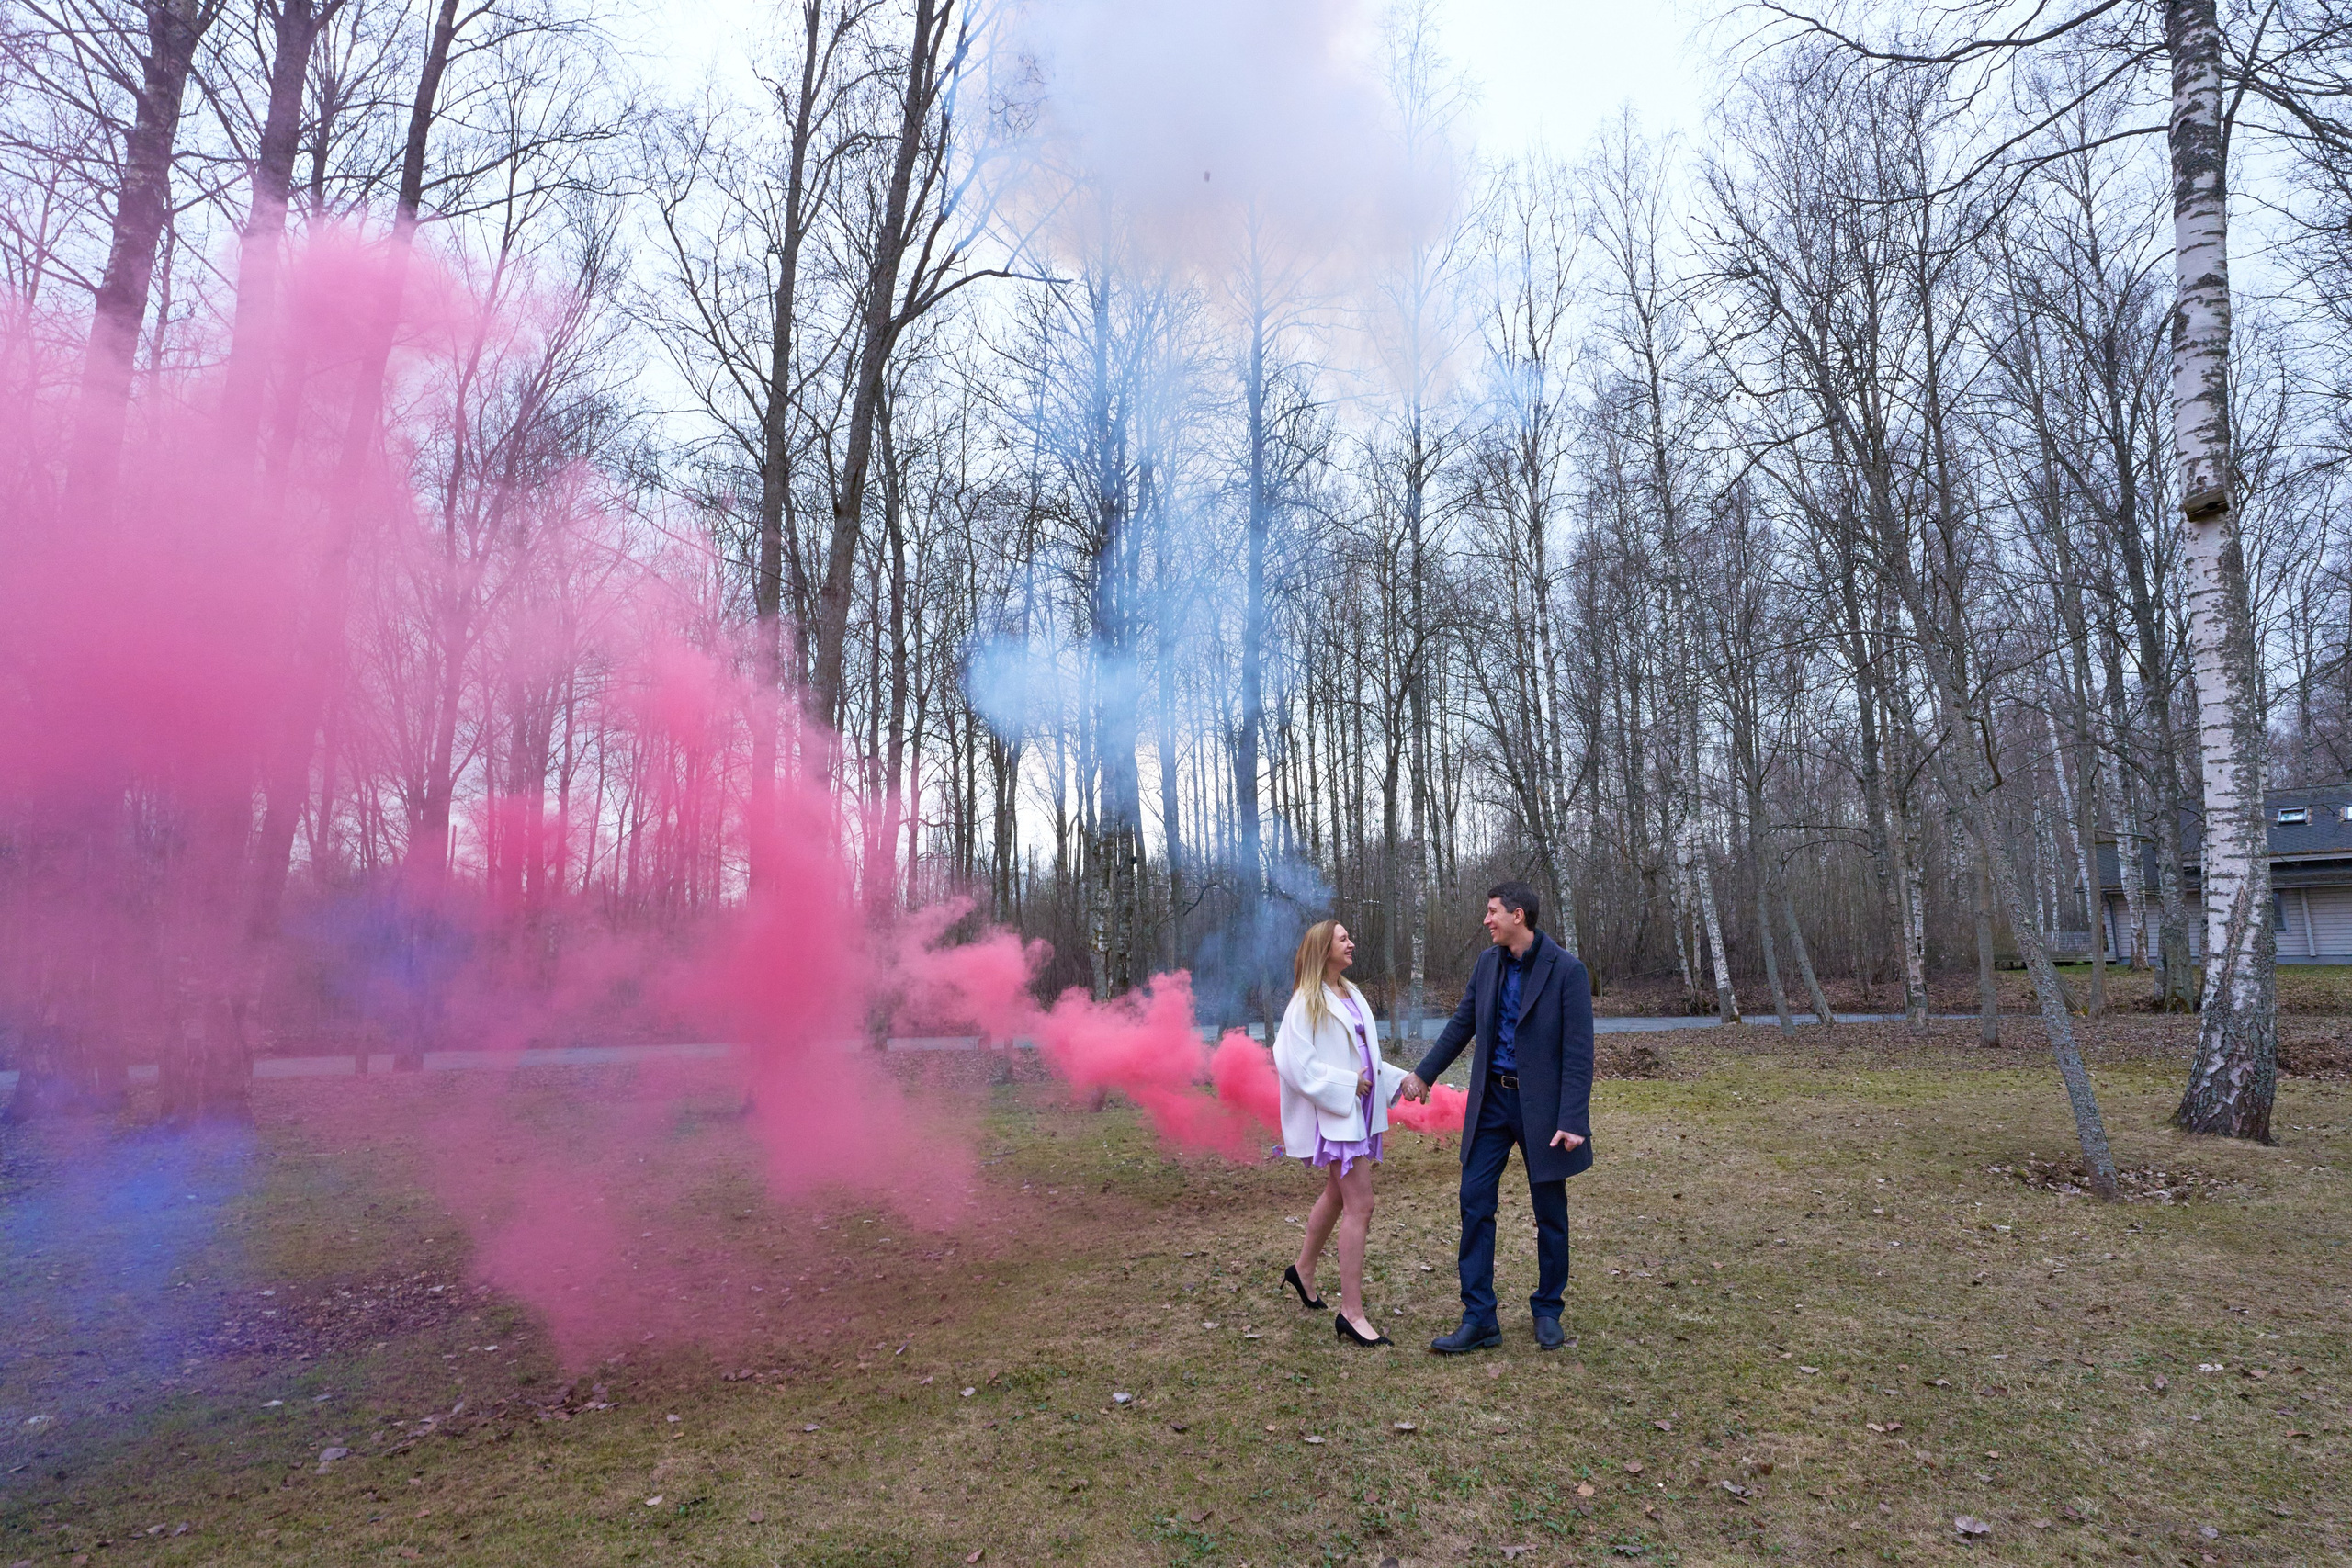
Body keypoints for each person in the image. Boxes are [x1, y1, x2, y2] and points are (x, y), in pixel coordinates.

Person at [1397, 880, 1594, 1354]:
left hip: (1544, 1111)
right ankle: (1480, 1318)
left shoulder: (1566, 970)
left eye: (1492, 912)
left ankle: (1548, 1309)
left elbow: (1579, 1052)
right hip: (1491, 1104)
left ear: (1518, 915)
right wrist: (1424, 1074)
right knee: (1475, 1200)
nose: (1486, 920)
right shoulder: (1487, 965)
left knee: (1550, 1210)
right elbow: (1462, 1024)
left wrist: (1572, 1117)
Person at [1272, 919, 1407, 1348]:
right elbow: (1293, 1062)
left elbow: (1367, 1053)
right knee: (1360, 1203)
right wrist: (1347, 1084)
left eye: (1351, 936)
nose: (1352, 942)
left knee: (1337, 1194)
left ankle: (1303, 1270)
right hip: (1338, 1114)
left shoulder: (1351, 992)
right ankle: (1351, 1314)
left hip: (1358, 1111)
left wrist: (1399, 1080)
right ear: (1322, 948)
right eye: (1343, 938)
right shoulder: (1305, 1001)